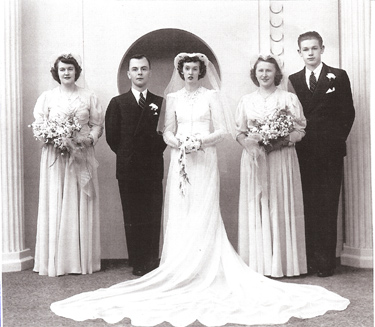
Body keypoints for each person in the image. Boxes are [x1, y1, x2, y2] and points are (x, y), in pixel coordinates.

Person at [51, 53, 349, 326]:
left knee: (205, 210)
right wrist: (180, 142)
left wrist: (200, 142)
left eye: (195, 69)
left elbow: (223, 130)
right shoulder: (173, 97)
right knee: (183, 210)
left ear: (201, 71)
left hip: (205, 160)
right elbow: (166, 130)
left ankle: (208, 263)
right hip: (182, 159)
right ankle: (180, 267)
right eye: (186, 69)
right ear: (180, 72)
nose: (190, 73)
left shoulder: (212, 96)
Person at [288, 31, 355, 277]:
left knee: (328, 205)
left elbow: (348, 113)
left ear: (322, 49)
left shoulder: (337, 76)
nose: (311, 53)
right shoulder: (293, 80)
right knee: (307, 204)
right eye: (306, 49)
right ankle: (310, 261)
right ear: (300, 53)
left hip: (330, 153)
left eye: (315, 48)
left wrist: (334, 142)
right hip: (303, 152)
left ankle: (326, 262)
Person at [31, 53, 104, 277]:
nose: (66, 73)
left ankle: (80, 261)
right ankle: (56, 261)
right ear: (57, 72)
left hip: (81, 154)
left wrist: (88, 139)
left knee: (80, 199)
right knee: (57, 200)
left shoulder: (88, 96)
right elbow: (39, 125)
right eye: (62, 69)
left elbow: (97, 125)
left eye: (70, 69)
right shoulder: (47, 97)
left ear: (76, 71)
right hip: (56, 156)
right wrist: (53, 137)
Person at [236, 54, 307, 277]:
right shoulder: (246, 101)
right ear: (254, 74)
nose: (264, 74)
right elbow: (239, 132)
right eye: (260, 71)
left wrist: (281, 141)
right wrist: (249, 144)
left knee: (280, 203)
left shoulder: (288, 99)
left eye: (268, 70)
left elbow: (300, 130)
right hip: (255, 159)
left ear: (276, 73)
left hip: (281, 159)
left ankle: (284, 264)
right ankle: (259, 264)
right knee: (259, 203)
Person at [105, 54, 166, 276]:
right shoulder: (117, 103)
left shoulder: (160, 102)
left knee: (152, 213)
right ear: (128, 74)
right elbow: (112, 138)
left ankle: (151, 259)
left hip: (151, 166)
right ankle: (138, 261)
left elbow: (164, 135)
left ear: (150, 72)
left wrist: (148, 154)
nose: (139, 73)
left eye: (144, 68)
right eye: (135, 69)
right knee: (132, 216)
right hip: (128, 168)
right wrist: (129, 155)